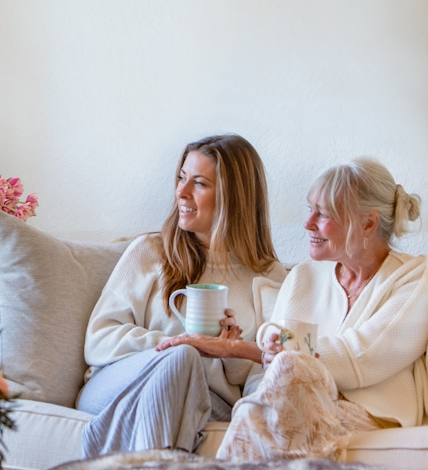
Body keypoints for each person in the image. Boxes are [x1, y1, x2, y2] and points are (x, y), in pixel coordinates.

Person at [158, 156, 428, 462]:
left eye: (323, 214)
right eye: (309, 209)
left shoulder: (416, 278)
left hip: (369, 416)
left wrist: (236, 349)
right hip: (296, 406)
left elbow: (361, 358)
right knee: (271, 394)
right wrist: (260, 354)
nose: (307, 223)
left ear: (368, 223)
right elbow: (270, 368)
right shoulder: (303, 277)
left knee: (289, 369)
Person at [75, 134, 287, 458]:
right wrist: (180, 345)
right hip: (117, 385)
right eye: (181, 177)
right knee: (182, 358)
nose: (181, 192)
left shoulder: (268, 275)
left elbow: (270, 369)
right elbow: (99, 339)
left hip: (209, 401)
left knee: (186, 363)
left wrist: (227, 350)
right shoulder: (150, 252)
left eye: (199, 183)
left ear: (234, 198)